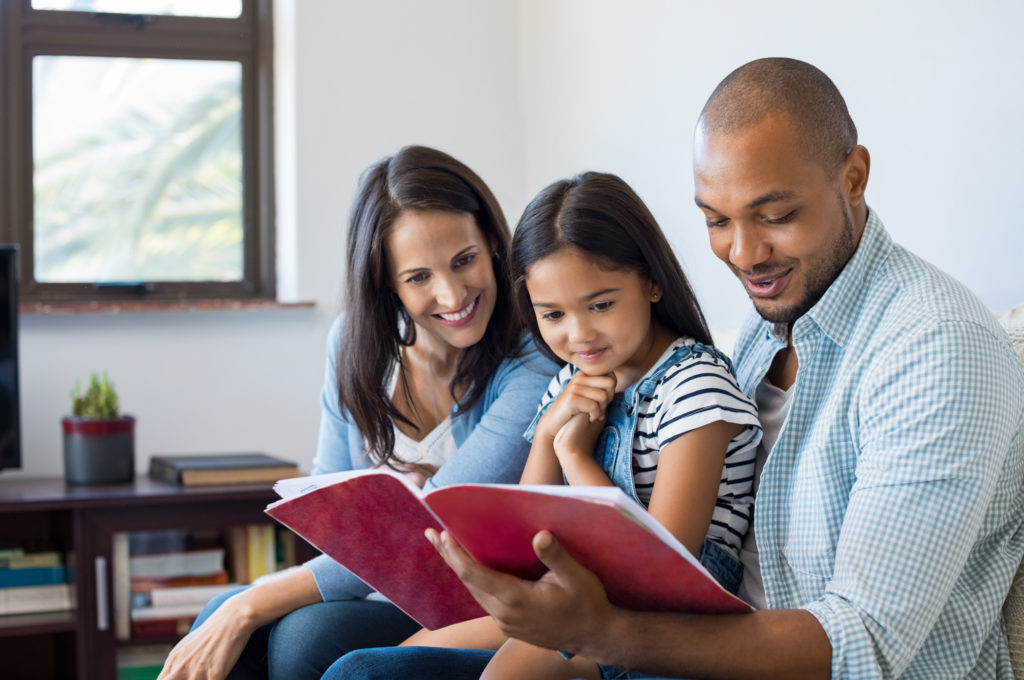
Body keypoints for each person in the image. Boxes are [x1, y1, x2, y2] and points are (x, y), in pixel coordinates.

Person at [322, 58, 1024, 679]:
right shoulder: (766, 326)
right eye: (716, 220)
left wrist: (604, 634)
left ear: (854, 177)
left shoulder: (934, 348)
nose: (744, 254)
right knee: (357, 667)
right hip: (673, 637)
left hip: (735, 654)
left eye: (774, 215)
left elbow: (863, 645)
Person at [156, 145, 558, 680]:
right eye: (418, 277)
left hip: (473, 604)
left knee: (295, 637)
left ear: (491, 243)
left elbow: (425, 538)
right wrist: (242, 605)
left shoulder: (532, 361)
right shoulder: (354, 343)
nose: (453, 293)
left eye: (465, 260)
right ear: (386, 282)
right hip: (372, 588)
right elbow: (328, 509)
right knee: (217, 617)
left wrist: (250, 602)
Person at [390, 172, 761, 680]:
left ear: (652, 281)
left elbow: (661, 563)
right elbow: (526, 538)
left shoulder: (694, 385)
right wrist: (546, 436)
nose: (579, 333)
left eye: (601, 305)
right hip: (578, 586)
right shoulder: (570, 379)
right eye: (553, 314)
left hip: (668, 613)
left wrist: (575, 457)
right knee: (389, 659)